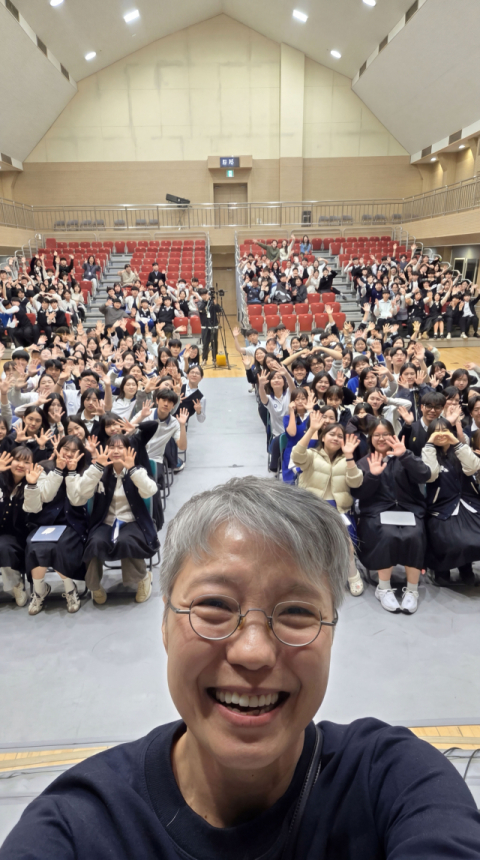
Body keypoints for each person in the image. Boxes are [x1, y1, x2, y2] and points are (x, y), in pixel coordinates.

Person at [4, 476, 480, 859]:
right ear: (165, 625)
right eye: (214, 606)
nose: (253, 652)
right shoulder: (78, 826)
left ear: (332, 631)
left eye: (297, 612)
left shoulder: (395, 782)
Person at [350, 418, 431, 614]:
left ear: (393, 436)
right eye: (376, 435)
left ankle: (412, 590)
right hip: (377, 511)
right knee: (385, 533)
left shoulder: (404, 456)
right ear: (370, 438)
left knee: (415, 534)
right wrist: (373, 475)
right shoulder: (364, 462)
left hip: (408, 509)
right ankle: (384, 588)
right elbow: (359, 493)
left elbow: (425, 475)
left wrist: (405, 456)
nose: (381, 438)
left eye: (385, 434)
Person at [67, 435, 159, 605]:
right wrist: (97, 468)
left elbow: (150, 491)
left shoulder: (136, 469)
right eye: (112, 447)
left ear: (128, 450)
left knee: (127, 540)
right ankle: (95, 586)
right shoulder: (99, 470)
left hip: (132, 521)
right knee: (94, 543)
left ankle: (143, 578)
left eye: (120, 447)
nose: (116, 451)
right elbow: (82, 493)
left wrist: (133, 470)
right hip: (105, 522)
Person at [291, 413, 364, 596]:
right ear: (323, 437)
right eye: (332, 434)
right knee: (310, 541)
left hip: (339, 509)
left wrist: (349, 456)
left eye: (340, 436)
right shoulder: (312, 455)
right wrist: (312, 430)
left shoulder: (346, 460)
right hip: (312, 507)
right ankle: (307, 577)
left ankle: (352, 574)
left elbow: (356, 482)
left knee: (347, 543)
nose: (336, 438)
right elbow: (297, 455)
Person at [24, 436, 89, 615]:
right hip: (44, 523)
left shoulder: (84, 471)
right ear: (58, 449)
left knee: (59, 546)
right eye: (65, 449)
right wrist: (59, 470)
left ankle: (70, 589)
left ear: (80, 454)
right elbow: (46, 496)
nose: (69, 453)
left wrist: (71, 472)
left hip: (71, 523)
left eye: (74, 451)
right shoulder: (44, 467)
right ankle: (39, 591)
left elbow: (76, 500)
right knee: (34, 545)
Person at [422, 419, 480, 586]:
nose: (441, 434)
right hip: (441, 507)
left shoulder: (461, 450)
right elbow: (431, 474)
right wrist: (429, 445)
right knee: (449, 538)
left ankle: (465, 567)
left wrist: (457, 443)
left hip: (468, 504)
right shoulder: (427, 452)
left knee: (472, 538)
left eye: (445, 430)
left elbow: (473, 467)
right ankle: (441, 569)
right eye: (436, 431)